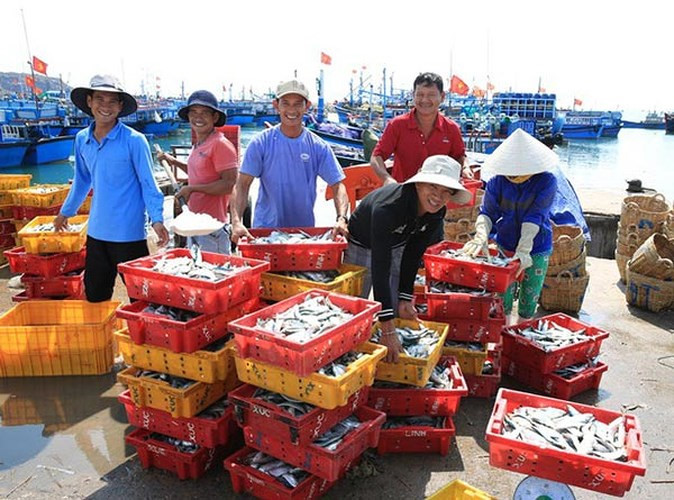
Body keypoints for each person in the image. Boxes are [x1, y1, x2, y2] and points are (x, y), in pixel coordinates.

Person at [344, 155, 471, 362]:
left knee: (395, 305)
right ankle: (350, 348)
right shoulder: (389, 208)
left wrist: (405, 297)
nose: (438, 197)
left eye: (445, 192)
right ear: (419, 183)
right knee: (354, 305)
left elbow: (413, 253)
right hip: (362, 241)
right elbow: (380, 265)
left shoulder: (435, 213)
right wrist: (387, 327)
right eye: (433, 187)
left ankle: (388, 353)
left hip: (396, 242)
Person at [54, 74, 169, 302]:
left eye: (112, 101)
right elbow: (82, 180)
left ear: (120, 106)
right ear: (89, 101)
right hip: (96, 233)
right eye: (99, 99)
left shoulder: (134, 140)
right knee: (95, 295)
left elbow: (148, 183)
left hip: (129, 236)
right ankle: (104, 337)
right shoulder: (81, 139)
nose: (105, 107)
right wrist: (66, 212)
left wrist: (157, 220)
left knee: (141, 299)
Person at [230, 80, 349, 242]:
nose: (291, 110)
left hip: (304, 234)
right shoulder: (260, 143)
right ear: (276, 105)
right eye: (286, 103)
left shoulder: (318, 146)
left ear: (307, 106)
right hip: (265, 232)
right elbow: (242, 185)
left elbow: (338, 185)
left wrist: (341, 218)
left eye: (297, 104)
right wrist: (236, 222)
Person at [462, 129, 559, 320]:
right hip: (505, 243)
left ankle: (523, 332)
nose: (513, 175)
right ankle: (502, 335)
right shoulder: (496, 182)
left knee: (528, 300)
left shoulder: (547, 181)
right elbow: (487, 212)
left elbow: (535, 215)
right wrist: (481, 234)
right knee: (501, 298)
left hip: (537, 246)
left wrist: (524, 249)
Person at [158, 90, 238, 253]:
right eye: (193, 112)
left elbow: (229, 184)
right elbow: (198, 173)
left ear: (214, 117)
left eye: (204, 113)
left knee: (215, 275)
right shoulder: (200, 143)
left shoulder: (220, 144)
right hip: (194, 223)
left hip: (212, 228)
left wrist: (192, 189)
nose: (198, 117)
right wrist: (173, 161)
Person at [369, 72, 466, 185]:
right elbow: (377, 156)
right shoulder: (397, 125)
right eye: (420, 94)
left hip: (438, 197)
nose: (425, 100)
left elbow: (460, 156)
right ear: (413, 95)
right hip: (402, 193)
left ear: (442, 97)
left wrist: (465, 169)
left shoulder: (451, 129)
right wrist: (387, 179)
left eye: (431, 95)